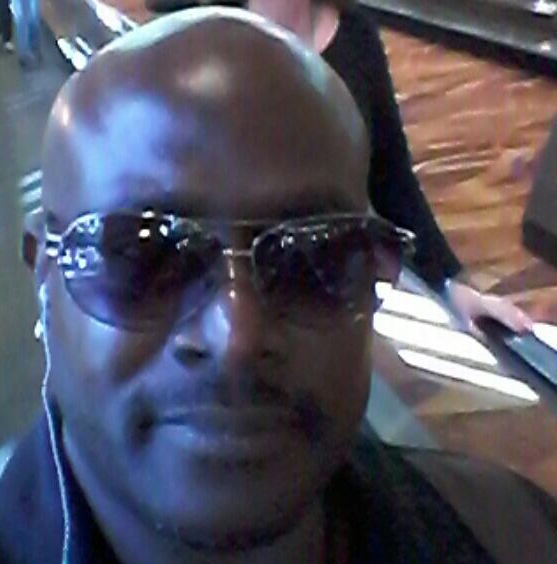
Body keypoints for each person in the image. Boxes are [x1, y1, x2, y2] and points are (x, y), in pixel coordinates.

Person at [0, 9, 556, 564]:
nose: (236, 335)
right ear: (44, 280)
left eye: (314, 255)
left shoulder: (526, 554)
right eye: (141, 256)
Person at [148, 0, 534, 339]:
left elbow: (392, 180)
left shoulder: (356, 37)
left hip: (327, 295)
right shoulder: (206, 33)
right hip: (231, 297)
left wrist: (450, 283)